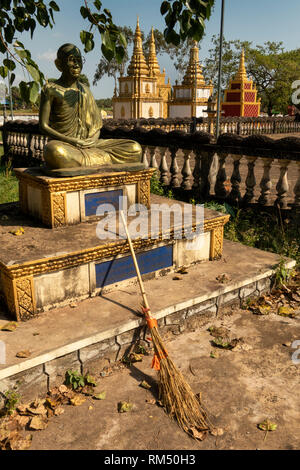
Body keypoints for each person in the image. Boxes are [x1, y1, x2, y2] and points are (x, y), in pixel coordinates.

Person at [39, 43, 142, 171]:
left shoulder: (85, 90)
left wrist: (91, 142)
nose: (77, 64)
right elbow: (43, 126)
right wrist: (73, 141)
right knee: (55, 152)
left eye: (79, 60)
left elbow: (96, 126)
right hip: (64, 144)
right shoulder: (51, 89)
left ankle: (85, 161)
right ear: (59, 64)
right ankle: (101, 160)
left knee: (134, 148)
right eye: (71, 60)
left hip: (90, 144)